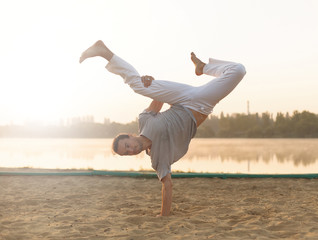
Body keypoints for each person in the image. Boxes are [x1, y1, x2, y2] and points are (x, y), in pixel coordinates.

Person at [79, 40, 246, 216]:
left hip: (182, 98)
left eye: (127, 145)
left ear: (130, 135)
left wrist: (149, 81)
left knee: (138, 85)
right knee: (238, 70)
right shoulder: (157, 159)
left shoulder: (144, 119)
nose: (131, 150)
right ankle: (202, 67)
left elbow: (159, 98)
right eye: (127, 153)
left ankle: (103, 51)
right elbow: (167, 185)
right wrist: (164, 215)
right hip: (201, 104)